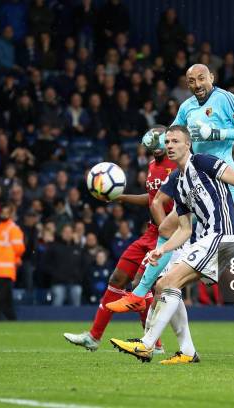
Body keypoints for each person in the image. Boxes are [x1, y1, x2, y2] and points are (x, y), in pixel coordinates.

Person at [107, 64, 234, 357]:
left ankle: (141, 299)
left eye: (202, 78)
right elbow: (173, 134)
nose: (197, 84)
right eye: (191, 80)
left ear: (212, 78)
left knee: (170, 241)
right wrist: (156, 138)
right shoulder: (187, 108)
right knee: (221, 272)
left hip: (215, 179)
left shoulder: (226, 100)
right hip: (188, 176)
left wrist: (217, 133)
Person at [63, 127, 176, 352]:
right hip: (150, 233)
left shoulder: (176, 166)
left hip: (169, 234)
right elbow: (152, 199)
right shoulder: (153, 166)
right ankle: (94, 338)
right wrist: (121, 197)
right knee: (117, 278)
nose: (153, 148)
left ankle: (155, 344)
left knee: (138, 285)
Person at [0, 203, 25, 320]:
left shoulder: (13, 228)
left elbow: (19, 248)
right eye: (2, 212)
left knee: (1, 294)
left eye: (6, 212)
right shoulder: (0, 227)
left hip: (6, 267)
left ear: (11, 214)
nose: (3, 214)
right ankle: (11, 317)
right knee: (5, 295)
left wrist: (16, 258)